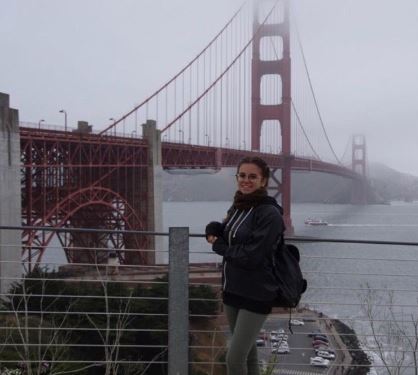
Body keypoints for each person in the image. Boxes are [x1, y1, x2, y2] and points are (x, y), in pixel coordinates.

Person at [206, 156, 285, 375]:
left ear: (264, 180)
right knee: (249, 354)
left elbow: (251, 256)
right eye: (242, 175)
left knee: (234, 358)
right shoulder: (239, 205)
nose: (246, 181)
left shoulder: (270, 213)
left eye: (252, 176)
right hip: (232, 289)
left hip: (257, 292)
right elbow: (230, 233)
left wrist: (219, 246)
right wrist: (214, 228)